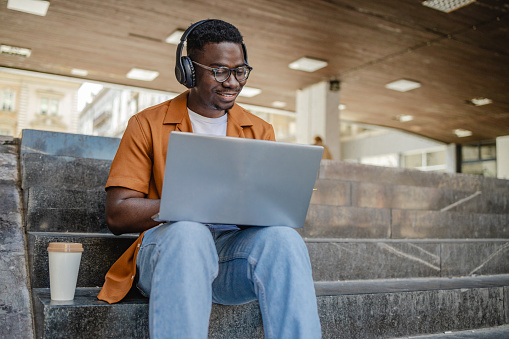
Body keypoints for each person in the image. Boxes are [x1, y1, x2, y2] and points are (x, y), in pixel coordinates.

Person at [97, 19, 322, 339]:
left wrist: (264, 208)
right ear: (188, 70)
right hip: (169, 255)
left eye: (240, 70)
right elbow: (117, 214)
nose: (232, 82)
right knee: (190, 232)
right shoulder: (146, 123)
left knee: (284, 240)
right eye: (219, 70)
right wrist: (187, 205)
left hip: (229, 260)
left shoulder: (260, 130)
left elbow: (267, 212)